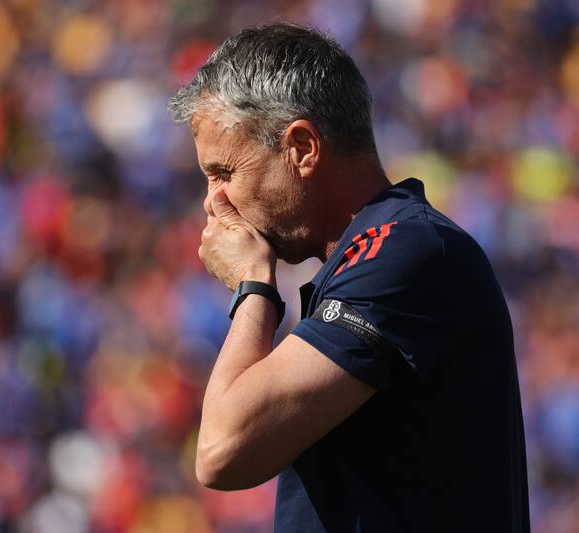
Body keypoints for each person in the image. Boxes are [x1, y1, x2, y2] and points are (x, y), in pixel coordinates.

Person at [169, 22, 530, 532]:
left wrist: (254, 286)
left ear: (302, 148)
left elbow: (224, 450)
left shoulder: (405, 250)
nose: (213, 201)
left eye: (224, 172)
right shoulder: (377, 255)